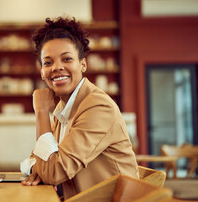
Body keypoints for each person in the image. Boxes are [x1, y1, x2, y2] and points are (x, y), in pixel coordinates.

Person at [20, 17, 139, 200]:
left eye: (67, 59)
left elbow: (53, 172)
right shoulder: (63, 107)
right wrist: (40, 167)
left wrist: (42, 112)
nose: (57, 67)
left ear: (83, 64)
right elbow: (38, 160)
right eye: (48, 62)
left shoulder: (98, 107)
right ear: (42, 71)